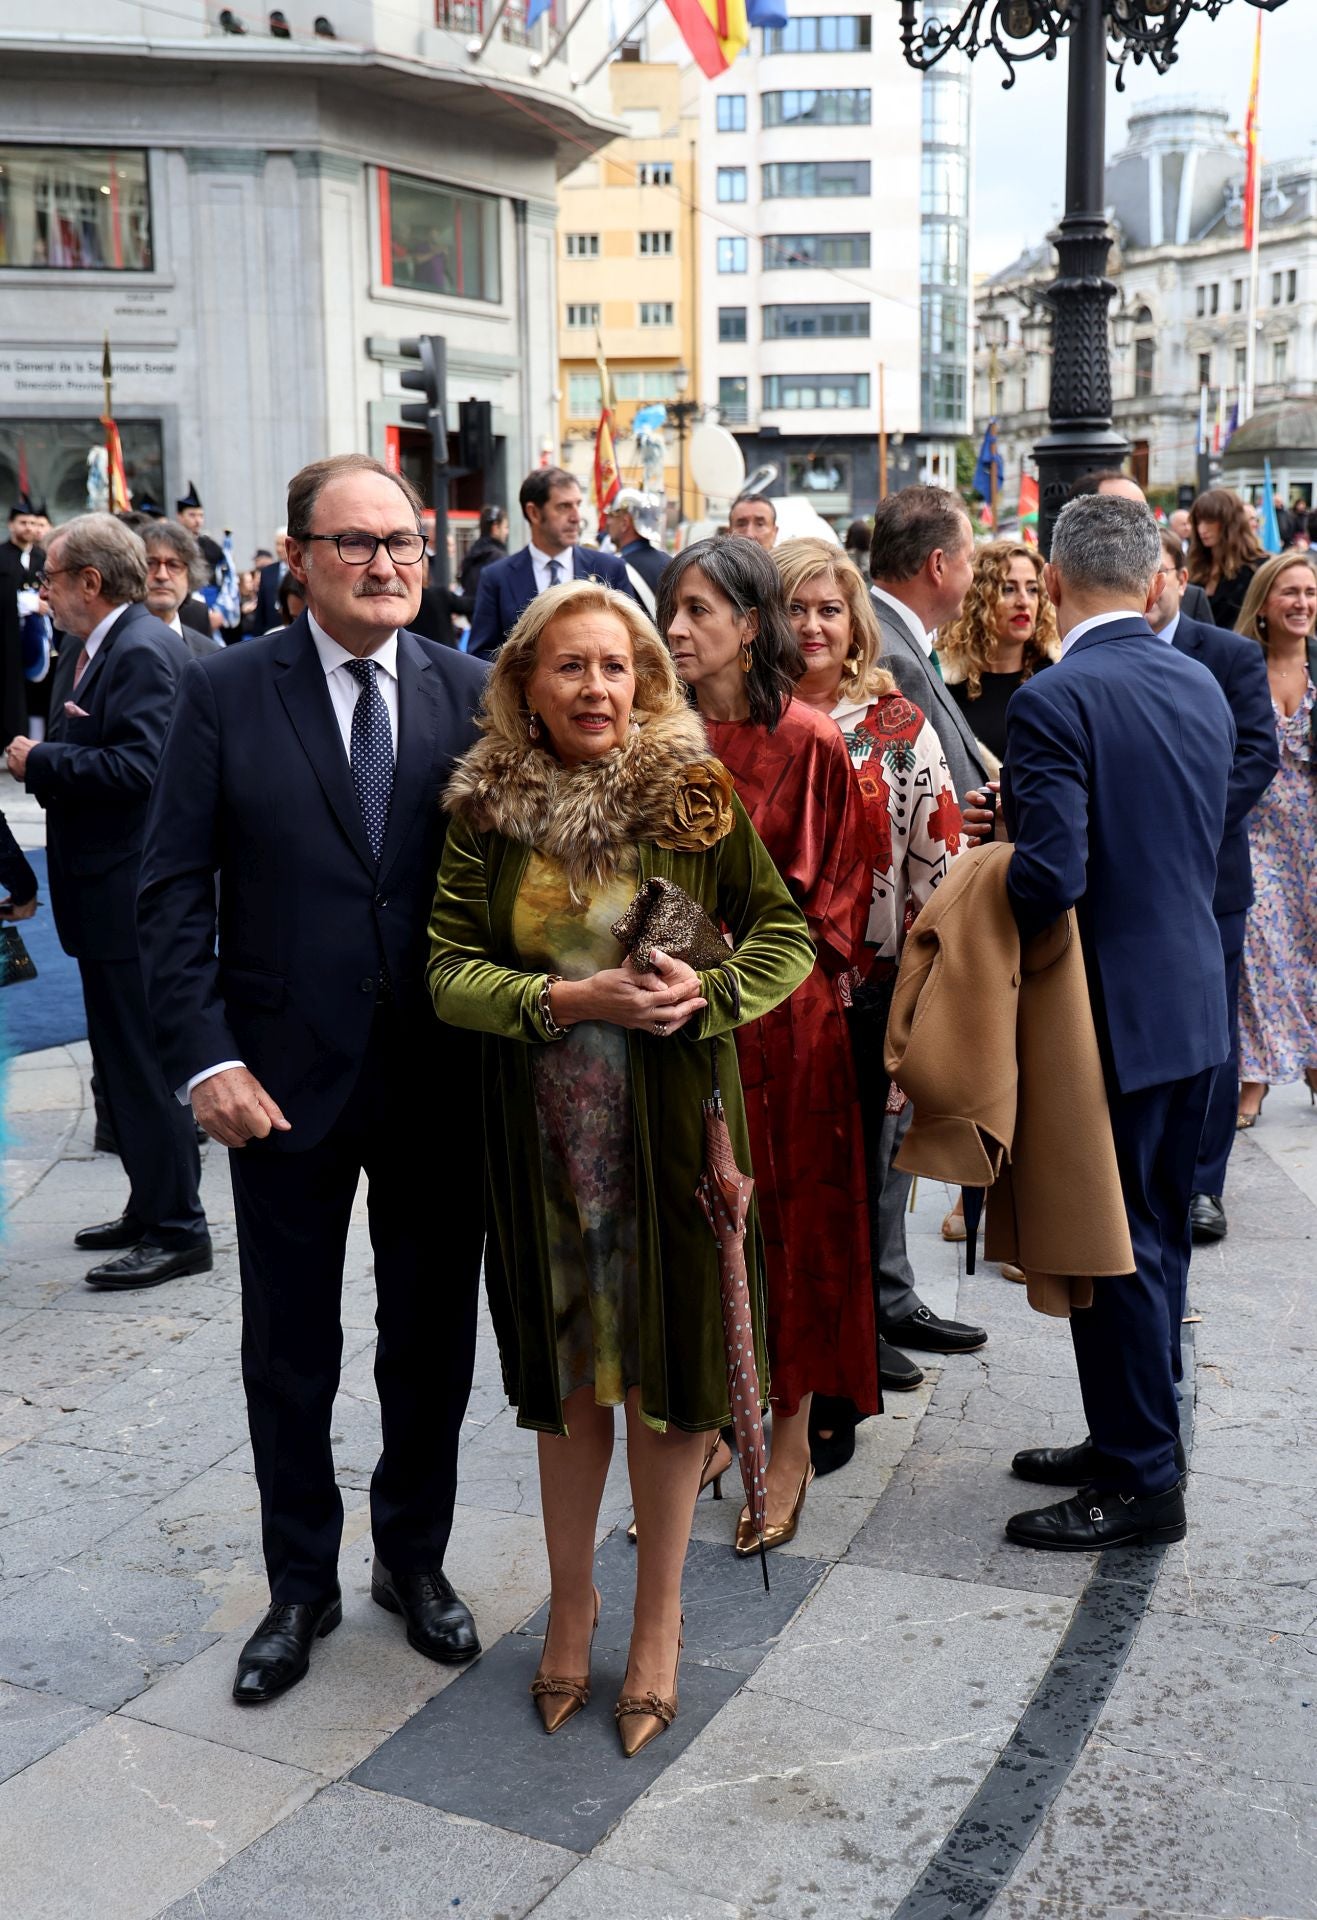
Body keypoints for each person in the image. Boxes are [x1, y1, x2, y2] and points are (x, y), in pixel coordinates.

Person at [429, 578, 812, 1753]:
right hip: (543, 1152)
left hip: (671, 1143)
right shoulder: (486, 810)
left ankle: (657, 1620)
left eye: (616, 667)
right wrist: (566, 997)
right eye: (569, 668)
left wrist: (715, 992)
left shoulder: (693, 796)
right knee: (565, 1390)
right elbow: (446, 972)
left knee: (668, 1380)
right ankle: (572, 1607)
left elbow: (785, 932)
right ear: (525, 688)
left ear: (645, 682)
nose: (596, 688)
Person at [137, 454, 490, 1706]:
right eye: (356, 544)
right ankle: (302, 1585)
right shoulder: (227, 691)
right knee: (290, 1346)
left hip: (447, 1080)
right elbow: (171, 893)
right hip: (277, 1082)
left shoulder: (480, 693)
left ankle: (416, 1560)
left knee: (432, 1341)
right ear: (298, 558)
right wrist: (207, 1058)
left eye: (402, 542)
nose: (388, 563)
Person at [1003, 494, 1235, 1551]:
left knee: (1119, 1247)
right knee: (1154, 1242)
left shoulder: (1055, 698)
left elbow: (1055, 877)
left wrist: (989, 869)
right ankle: (1134, 1437)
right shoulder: (1197, 679)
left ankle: (1144, 1480)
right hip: (1192, 1002)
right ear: (1153, 584)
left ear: (1051, 584)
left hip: (1108, 1015)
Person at [658, 536, 879, 1546]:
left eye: (699, 610)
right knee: (695, 1228)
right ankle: (713, 1417)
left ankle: (787, 1442)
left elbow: (838, 905)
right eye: (673, 608)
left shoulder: (811, 740)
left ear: (751, 627)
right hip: (670, 1019)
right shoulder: (655, 738)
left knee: (790, 1230)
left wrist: (738, 967)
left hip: (786, 1031)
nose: (676, 628)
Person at [775, 536, 964, 1467]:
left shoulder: (897, 725)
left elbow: (939, 869)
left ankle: (837, 1390)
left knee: (854, 1192)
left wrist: (915, 1011)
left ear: (853, 620)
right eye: (794, 606)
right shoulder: (738, 719)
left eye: (829, 607)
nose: (812, 625)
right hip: (760, 1006)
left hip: (866, 999)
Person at [5, 514, 209, 1289]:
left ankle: (180, 1228)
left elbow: (146, 770)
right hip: (99, 895)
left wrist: (42, 760)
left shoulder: (144, 650)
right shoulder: (93, 646)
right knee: (121, 1065)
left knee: (146, 1066)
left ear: (89, 582)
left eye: (51, 578)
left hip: (133, 898)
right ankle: (150, 1205)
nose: (44, 592)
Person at [865, 488, 988, 1381]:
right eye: (973, 559)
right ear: (938, 565)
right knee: (880, 1124)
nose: (977, 576)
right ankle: (870, 1307)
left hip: (902, 923)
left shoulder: (908, 639)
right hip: (883, 934)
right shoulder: (889, 645)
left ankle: (889, 1292)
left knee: (893, 1126)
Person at [1146, 528, 1278, 1242]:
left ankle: (1202, 1186)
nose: (1149, 585)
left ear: (1176, 577)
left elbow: (1257, 753)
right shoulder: (1095, 655)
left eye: (1159, 571)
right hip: (1128, 881)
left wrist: (1185, 824)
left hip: (1210, 877)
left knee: (1212, 1033)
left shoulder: (1227, 655)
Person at [1233, 552, 1317, 1126]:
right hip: (1253, 834)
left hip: (1311, 835)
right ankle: (1255, 1076)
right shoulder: (1240, 669)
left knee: (1310, 952)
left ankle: (1313, 1064)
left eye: (1310, 593)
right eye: (1290, 592)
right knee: (1259, 952)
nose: (1302, 603)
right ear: (1263, 604)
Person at [467, 469, 636, 658]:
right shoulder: (497, 577)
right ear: (534, 513)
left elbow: (633, 643)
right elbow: (480, 656)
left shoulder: (610, 569)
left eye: (577, 505)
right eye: (564, 507)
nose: (576, 518)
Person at [938, 540, 1059, 764]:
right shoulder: (945, 686)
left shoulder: (1056, 676)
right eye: (1009, 589)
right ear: (979, 600)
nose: (1024, 601)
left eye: (1032, 589)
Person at [1071, 471, 1213, 621]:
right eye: (1121, 517)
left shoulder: (1184, 597)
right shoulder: (1060, 605)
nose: (1140, 526)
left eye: (1143, 515)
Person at [139, 518, 224, 656]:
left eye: (174, 565)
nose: (162, 575)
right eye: (151, 563)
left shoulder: (212, 653)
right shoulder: (112, 645)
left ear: (190, 575)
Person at [1, 494, 45, 744]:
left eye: (31, 522)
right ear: (11, 524)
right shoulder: (1, 555)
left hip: (37, 639)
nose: (28, 527)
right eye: (22, 522)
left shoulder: (42, 557)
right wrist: (26, 603)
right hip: (6, 639)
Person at [1188, 488, 1263, 632]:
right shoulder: (1196, 566)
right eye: (1198, 521)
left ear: (1229, 522)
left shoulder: (1255, 568)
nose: (1202, 529)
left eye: (1210, 520)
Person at [604, 488, 669, 604]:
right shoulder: (670, 562)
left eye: (611, 516)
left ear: (625, 523)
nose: (608, 523)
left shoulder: (616, 568)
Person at [459, 505, 509, 599]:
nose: (507, 532)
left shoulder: (472, 553)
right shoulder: (499, 557)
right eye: (505, 527)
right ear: (495, 528)